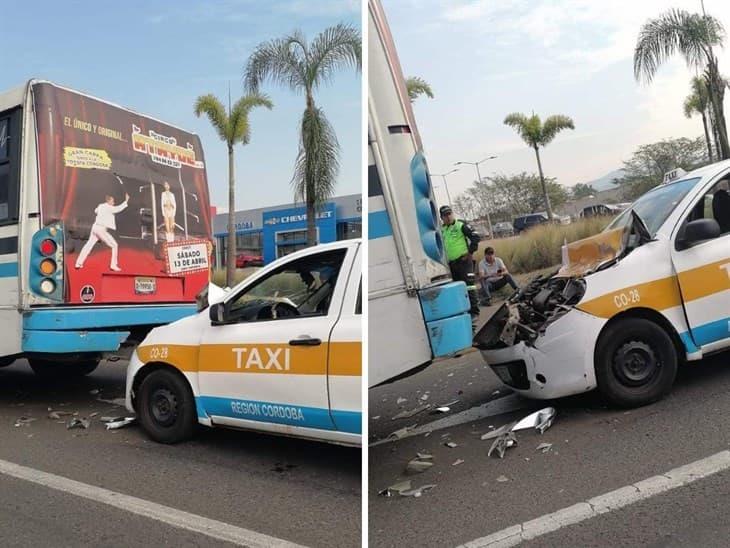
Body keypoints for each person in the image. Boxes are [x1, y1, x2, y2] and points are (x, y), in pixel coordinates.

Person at [439, 205, 480, 317]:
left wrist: (470, 252)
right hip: (452, 264)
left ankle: (474, 311)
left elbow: (476, 237)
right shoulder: (442, 229)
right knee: (457, 287)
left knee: (469, 285)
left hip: (464, 261)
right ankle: (464, 310)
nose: (448, 217)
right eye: (445, 215)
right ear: (441, 217)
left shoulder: (460, 224)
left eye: (449, 214)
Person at [75, 193, 130, 272]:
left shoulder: (101, 206)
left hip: (95, 228)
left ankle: (78, 263)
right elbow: (118, 209)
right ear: (109, 201)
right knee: (114, 245)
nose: (113, 203)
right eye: (113, 201)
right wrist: (126, 200)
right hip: (101, 229)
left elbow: (95, 211)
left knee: (88, 245)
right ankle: (113, 265)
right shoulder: (109, 208)